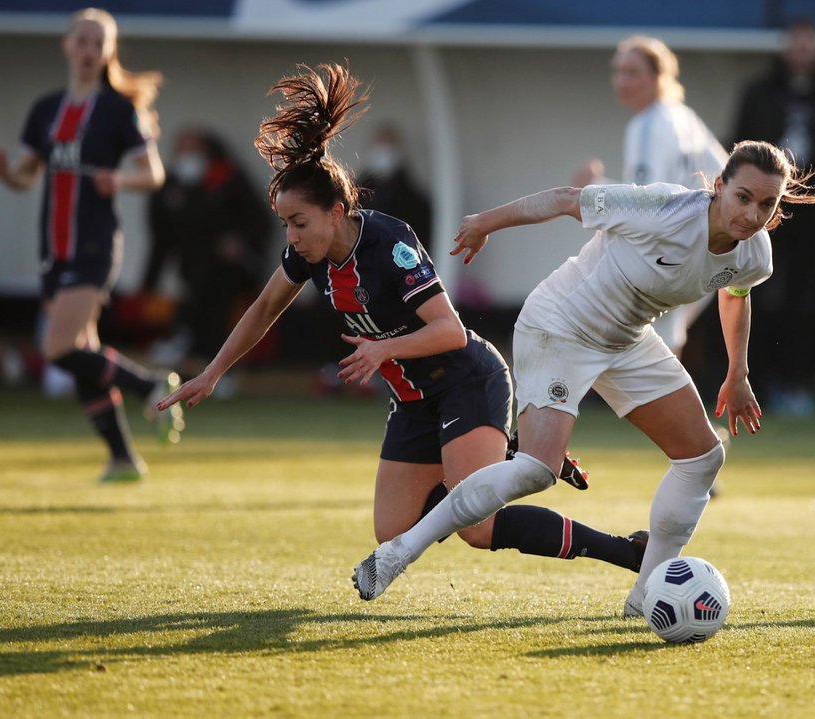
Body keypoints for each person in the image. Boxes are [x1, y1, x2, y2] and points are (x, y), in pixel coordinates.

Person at [157, 62, 649, 576]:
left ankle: (625, 551)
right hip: (414, 400)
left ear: (338, 210)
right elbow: (262, 309)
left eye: (298, 222)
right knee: (393, 530)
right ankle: (503, 454)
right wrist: (213, 372)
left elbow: (449, 330)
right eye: (285, 224)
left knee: (476, 527)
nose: (292, 237)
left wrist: (383, 349)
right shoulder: (309, 254)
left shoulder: (390, 244)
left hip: (466, 381)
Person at [352, 141, 815, 613]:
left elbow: (735, 292)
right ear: (719, 187)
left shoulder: (756, 252)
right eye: (743, 198)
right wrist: (484, 223)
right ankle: (398, 553)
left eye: (766, 205)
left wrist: (738, 371)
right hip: (558, 325)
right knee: (537, 469)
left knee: (702, 459)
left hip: (626, 340)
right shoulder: (664, 207)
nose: (752, 215)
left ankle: (647, 596)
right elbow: (565, 200)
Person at [0, 7, 183, 483]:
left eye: (96, 43)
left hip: (95, 245)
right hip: (52, 249)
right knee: (84, 351)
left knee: (57, 347)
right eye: (80, 41)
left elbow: (153, 172)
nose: (87, 50)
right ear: (66, 46)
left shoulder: (118, 110)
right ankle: (123, 458)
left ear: (107, 52)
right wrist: (7, 171)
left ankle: (149, 387)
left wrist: (116, 177)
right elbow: (24, 174)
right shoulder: (45, 109)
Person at [574, 35, 727, 357]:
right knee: (666, 351)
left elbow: (643, 201)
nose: (621, 81)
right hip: (706, 251)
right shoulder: (685, 117)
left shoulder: (646, 124)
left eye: (632, 72)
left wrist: (594, 186)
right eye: (618, 71)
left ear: (658, 77)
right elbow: (727, 174)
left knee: (652, 359)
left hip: (668, 251)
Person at [729, 16, 815, 412]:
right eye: (796, 44)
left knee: (805, 300)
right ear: (785, 48)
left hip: (812, 214)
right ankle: (754, 380)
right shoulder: (759, 92)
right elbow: (737, 145)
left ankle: (795, 384)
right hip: (762, 206)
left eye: (810, 44)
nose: (802, 52)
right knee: (753, 291)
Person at [143, 128, 272, 370]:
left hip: (236, 267)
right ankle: (189, 342)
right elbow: (161, 241)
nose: (187, 156)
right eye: (182, 150)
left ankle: (207, 353)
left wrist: (239, 241)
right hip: (192, 269)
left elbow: (261, 221)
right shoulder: (169, 188)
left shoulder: (228, 178)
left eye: (193, 150)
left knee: (216, 284)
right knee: (200, 283)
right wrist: (147, 286)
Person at [356, 123, 433, 252]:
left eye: (388, 146)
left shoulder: (414, 201)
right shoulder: (354, 194)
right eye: (380, 146)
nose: (383, 153)